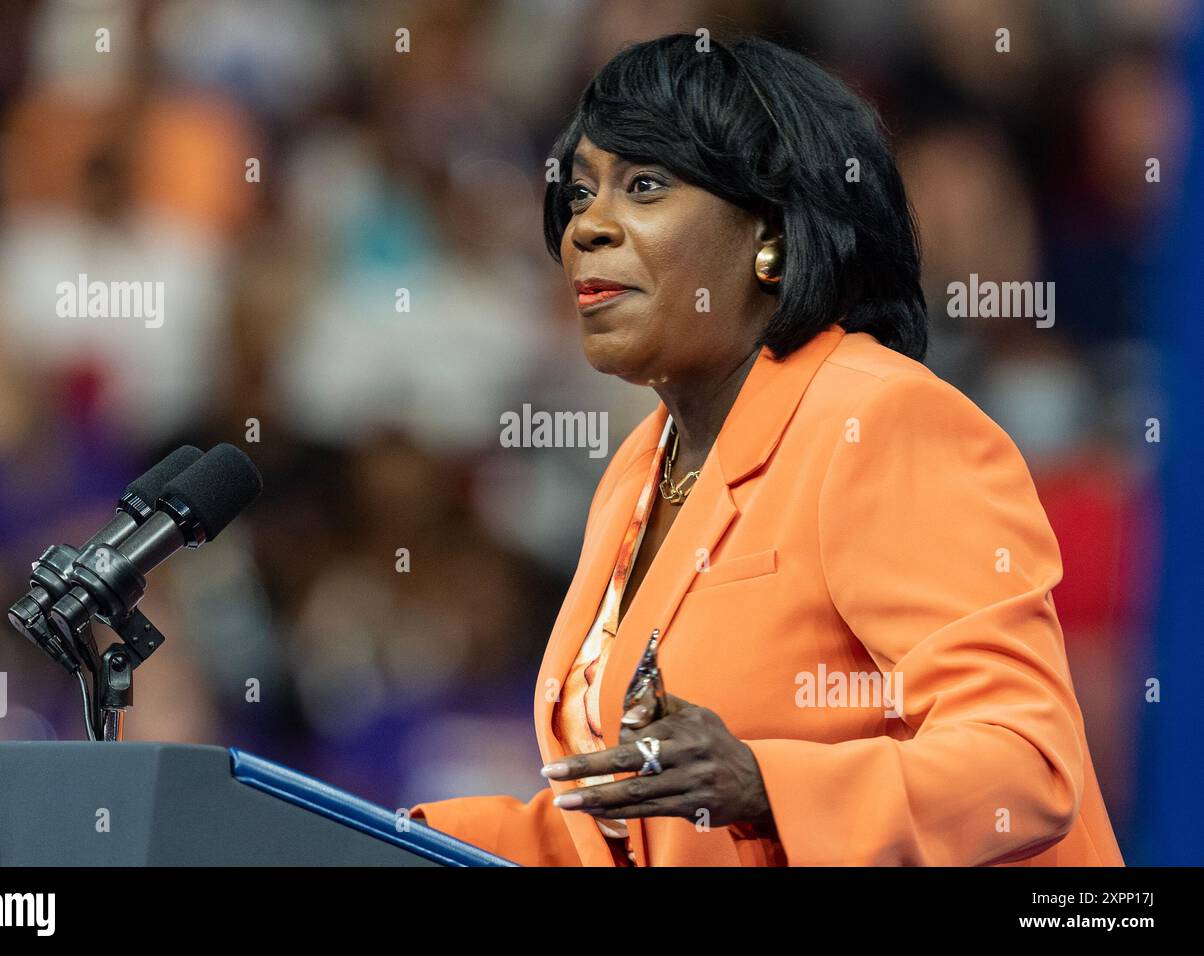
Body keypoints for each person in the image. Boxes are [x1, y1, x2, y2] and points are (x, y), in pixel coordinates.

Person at [410, 32, 1124, 867]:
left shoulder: (880, 421)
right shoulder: (639, 472)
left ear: (771, 236)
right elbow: (633, 827)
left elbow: (1024, 767)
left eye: (644, 186)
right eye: (577, 194)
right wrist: (382, 836)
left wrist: (764, 784)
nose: (587, 229)